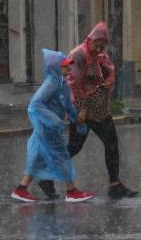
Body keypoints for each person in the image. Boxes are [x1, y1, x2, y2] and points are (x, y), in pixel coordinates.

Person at [40, 22, 137, 200]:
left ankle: (115, 184)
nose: (99, 48)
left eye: (103, 45)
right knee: (74, 147)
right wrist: (81, 110)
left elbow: (111, 72)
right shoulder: (79, 55)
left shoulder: (100, 55)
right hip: (80, 108)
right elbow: (73, 84)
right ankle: (46, 175)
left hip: (99, 107)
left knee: (111, 143)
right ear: (89, 40)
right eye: (97, 44)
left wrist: (105, 85)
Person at [11, 49, 95, 203]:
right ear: (55, 67)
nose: (68, 68)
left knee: (37, 158)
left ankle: (20, 189)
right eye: (64, 66)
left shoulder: (61, 83)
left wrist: (77, 120)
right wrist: (55, 122)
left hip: (46, 129)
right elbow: (34, 105)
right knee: (61, 157)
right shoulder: (51, 84)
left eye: (68, 65)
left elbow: (67, 105)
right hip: (48, 130)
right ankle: (71, 191)